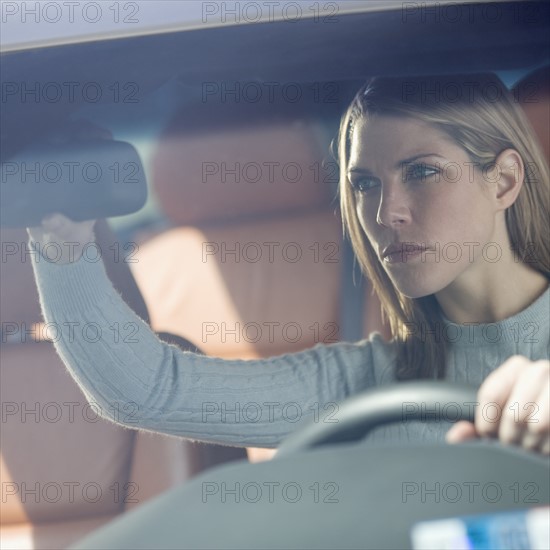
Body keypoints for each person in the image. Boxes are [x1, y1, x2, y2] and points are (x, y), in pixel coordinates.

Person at [27, 74, 549, 455]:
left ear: (503, 181)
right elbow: (147, 392)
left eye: (422, 172)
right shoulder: (368, 381)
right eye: (365, 183)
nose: (386, 212)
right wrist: (62, 245)